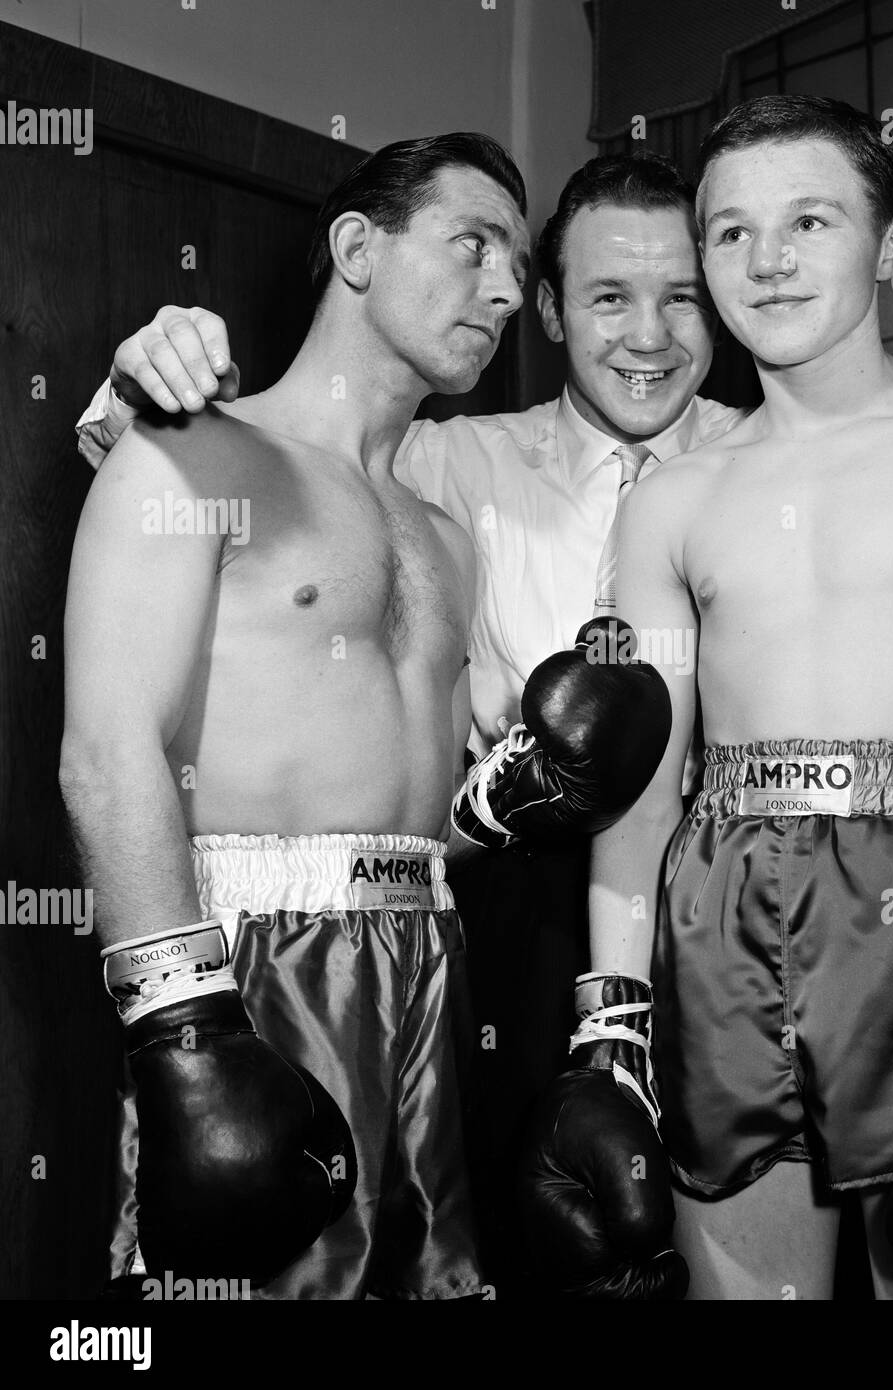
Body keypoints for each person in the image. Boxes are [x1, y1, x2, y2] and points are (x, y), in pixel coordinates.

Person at [75, 150, 893, 1288]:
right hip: (508, 924)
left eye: (681, 297)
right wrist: (134, 386)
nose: (647, 335)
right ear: (554, 312)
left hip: (757, 898)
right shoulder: (449, 461)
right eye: (607, 295)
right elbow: (230, 499)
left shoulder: (775, 448)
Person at [521, 96, 893, 1300]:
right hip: (722, 912)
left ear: (885, 238)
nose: (767, 259)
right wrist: (610, 1035)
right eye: (729, 230)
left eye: (808, 220)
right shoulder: (671, 499)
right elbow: (640, 793)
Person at [60, 133, 669, 1300]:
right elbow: (104, 753)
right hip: (248, 966)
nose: (504, 291)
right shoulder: (190, 450)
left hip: (425, 962)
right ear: (355, 248)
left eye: (514, 262)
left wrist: (507, 801)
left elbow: (416, 810)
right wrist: (182, 1030)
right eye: (472, 243)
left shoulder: (440, 535)